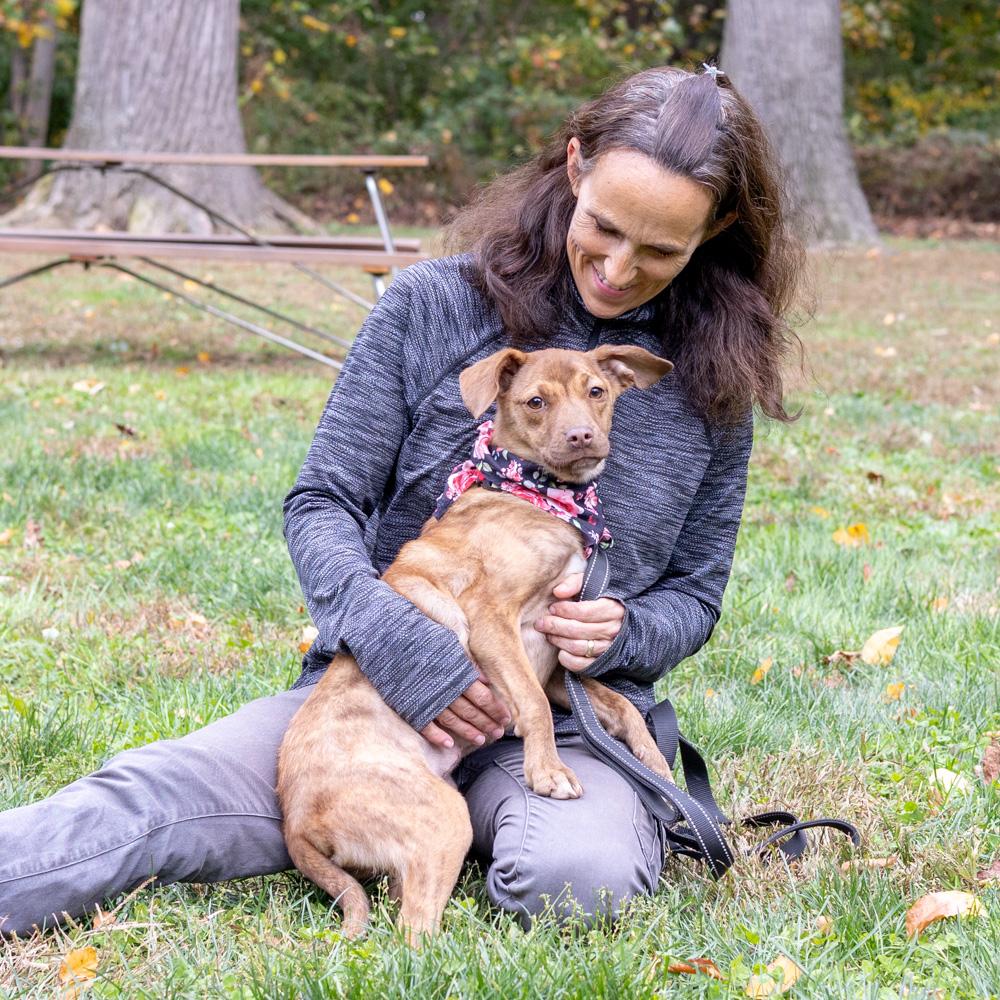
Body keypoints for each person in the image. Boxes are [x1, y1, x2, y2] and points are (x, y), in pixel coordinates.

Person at [0, 64, 802, 937]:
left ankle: (469, 829)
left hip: (565, 721)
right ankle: (393, 820)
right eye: (604, 227)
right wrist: (408, 652)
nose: (616, 267)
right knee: (137, 806)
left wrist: (624, 631)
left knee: (579, 881)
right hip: (370, 700)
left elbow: (695, 593)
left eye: (658, 251)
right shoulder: (432, 306)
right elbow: (321, 502)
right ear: (575, 168)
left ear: (713, 229)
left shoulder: (711, 385)